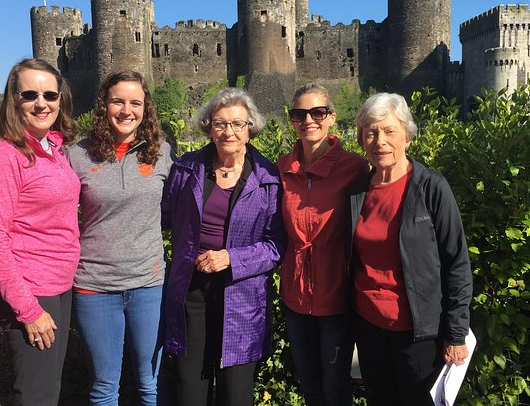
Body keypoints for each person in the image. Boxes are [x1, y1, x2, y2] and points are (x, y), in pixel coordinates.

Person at [162, 88, 286, 406]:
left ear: (250, 129)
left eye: (237, 124)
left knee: (235, 393)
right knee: (189, 387)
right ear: (208, 127)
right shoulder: (186, 170)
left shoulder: (268, 177)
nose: (228, 131)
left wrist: (231, 258)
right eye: (220, 123)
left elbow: (275, 246)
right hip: (192, 291)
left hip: (242, 296)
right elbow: (160, 219)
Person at [350, 92, 472, 406]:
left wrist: (456, 334)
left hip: (419, 334)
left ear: (408, 136)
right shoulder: (357, 192)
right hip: (370, 328)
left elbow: (456, 261)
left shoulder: (431, 187)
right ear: (363, 140)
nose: (380, 141)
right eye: (371, 133)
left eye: (389, 131)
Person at [0, 58, 80, 406]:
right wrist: (28, 310)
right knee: (37, 395)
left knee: (47, 388)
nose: (42, 103)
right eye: (30, 94)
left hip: (58, 285)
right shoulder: (4, 156)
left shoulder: (53, 148)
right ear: (13, 99)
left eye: (50, 94)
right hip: (32, 290)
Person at [66, 71, 173, 405]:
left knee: (150, 384)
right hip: (95, 286)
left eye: (135, 103)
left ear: (145, 109)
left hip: (147, 283)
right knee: (103, 387)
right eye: (118, 101)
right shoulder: (78, 156)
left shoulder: (163, 153)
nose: (127, 110)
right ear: (104, 106)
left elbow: (182, 208)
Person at [276, 84, 368, 406]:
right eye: (299, 114)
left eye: (317, 112)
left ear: (332, 117)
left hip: (336, 295)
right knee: (310, 385)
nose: (308, 120)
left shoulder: (354, 167)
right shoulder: (282, 168)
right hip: (295, 295)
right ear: (291, 120)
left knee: (336, 388)